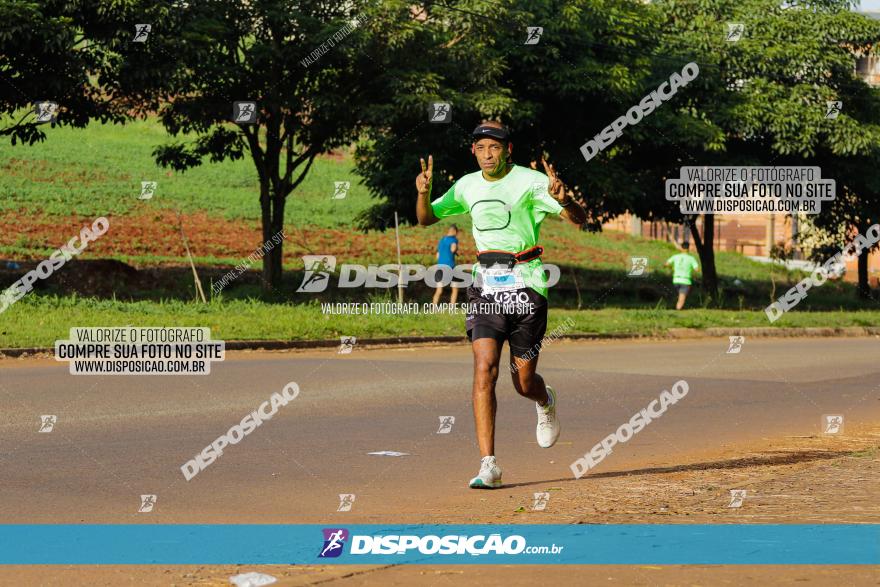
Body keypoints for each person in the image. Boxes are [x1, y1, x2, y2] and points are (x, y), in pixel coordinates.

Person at [415, 121, 587, 489]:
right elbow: (426, 217)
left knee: (522, 381)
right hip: (485, 286)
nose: (488, 155)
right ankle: (488, 464)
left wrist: (565, 199)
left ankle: (545, 399)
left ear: (508, 150)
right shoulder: (466, 185)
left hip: (528, 283)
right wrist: (422, 193)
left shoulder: (531, 181)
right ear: (473, 151)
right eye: (481, 148)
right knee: (484, 368)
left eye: (494, 148)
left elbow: (579, 220)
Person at [665, 242, 700, 310]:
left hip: (676, 280)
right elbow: (697, 269)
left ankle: (672, 307)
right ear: (688, 248)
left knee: (676, 296)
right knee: (681, 298)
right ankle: (678, 311)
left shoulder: (675, 256)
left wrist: (671, 267)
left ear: (681, 248)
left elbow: (666, 264)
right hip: (685, 281)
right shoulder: (691, 258)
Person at [433, 225, 459, 306]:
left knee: (439, 290)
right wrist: (456, 250)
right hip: (450, 266)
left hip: (440, 267)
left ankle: (434, 308)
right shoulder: (454, 239)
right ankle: (452, 308)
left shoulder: (442, 240)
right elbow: (453, 249)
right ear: (454, 231)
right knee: (455, 288)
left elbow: (437, 255)